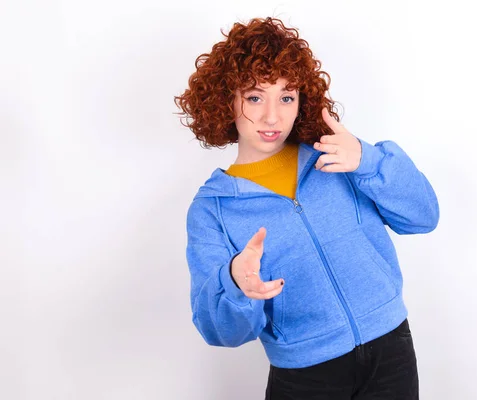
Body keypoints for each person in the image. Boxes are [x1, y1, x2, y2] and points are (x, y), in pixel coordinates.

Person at [174, 16, 439, 400]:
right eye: (254, 96)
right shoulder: (212, 210)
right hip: (306, 377)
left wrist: (369, 160)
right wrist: (235, 283)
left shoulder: (338, 157)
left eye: (286, 96)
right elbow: (220, 331)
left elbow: (423, 217)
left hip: (391, 351)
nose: (272, 116)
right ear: (225, 100)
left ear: (302, 101)